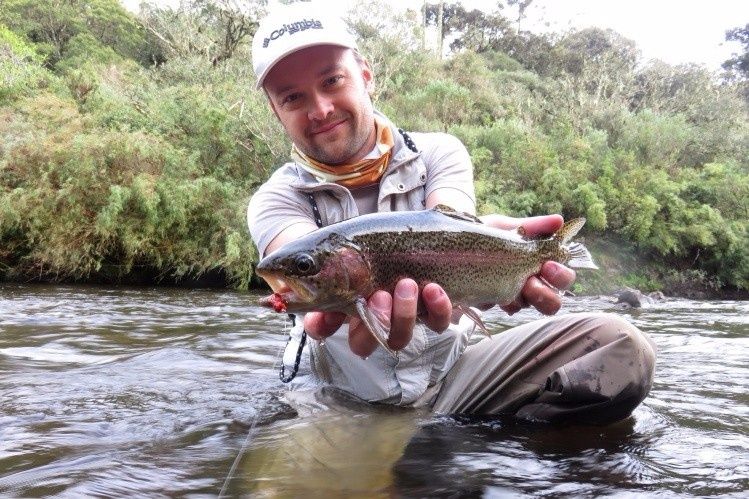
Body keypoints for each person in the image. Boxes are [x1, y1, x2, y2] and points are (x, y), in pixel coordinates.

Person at [247, 4, 655, 424]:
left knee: (620, 347)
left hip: (456, 381)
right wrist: (309, 289)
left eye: (332, 80)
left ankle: (504, 449)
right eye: (292, 97)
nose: (320, 109)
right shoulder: (275, 198)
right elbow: (305, 279)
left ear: (366, 75)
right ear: (276, 111)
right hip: (339, 400)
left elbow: (452, 224)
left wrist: (499, 255)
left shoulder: (440, 152)